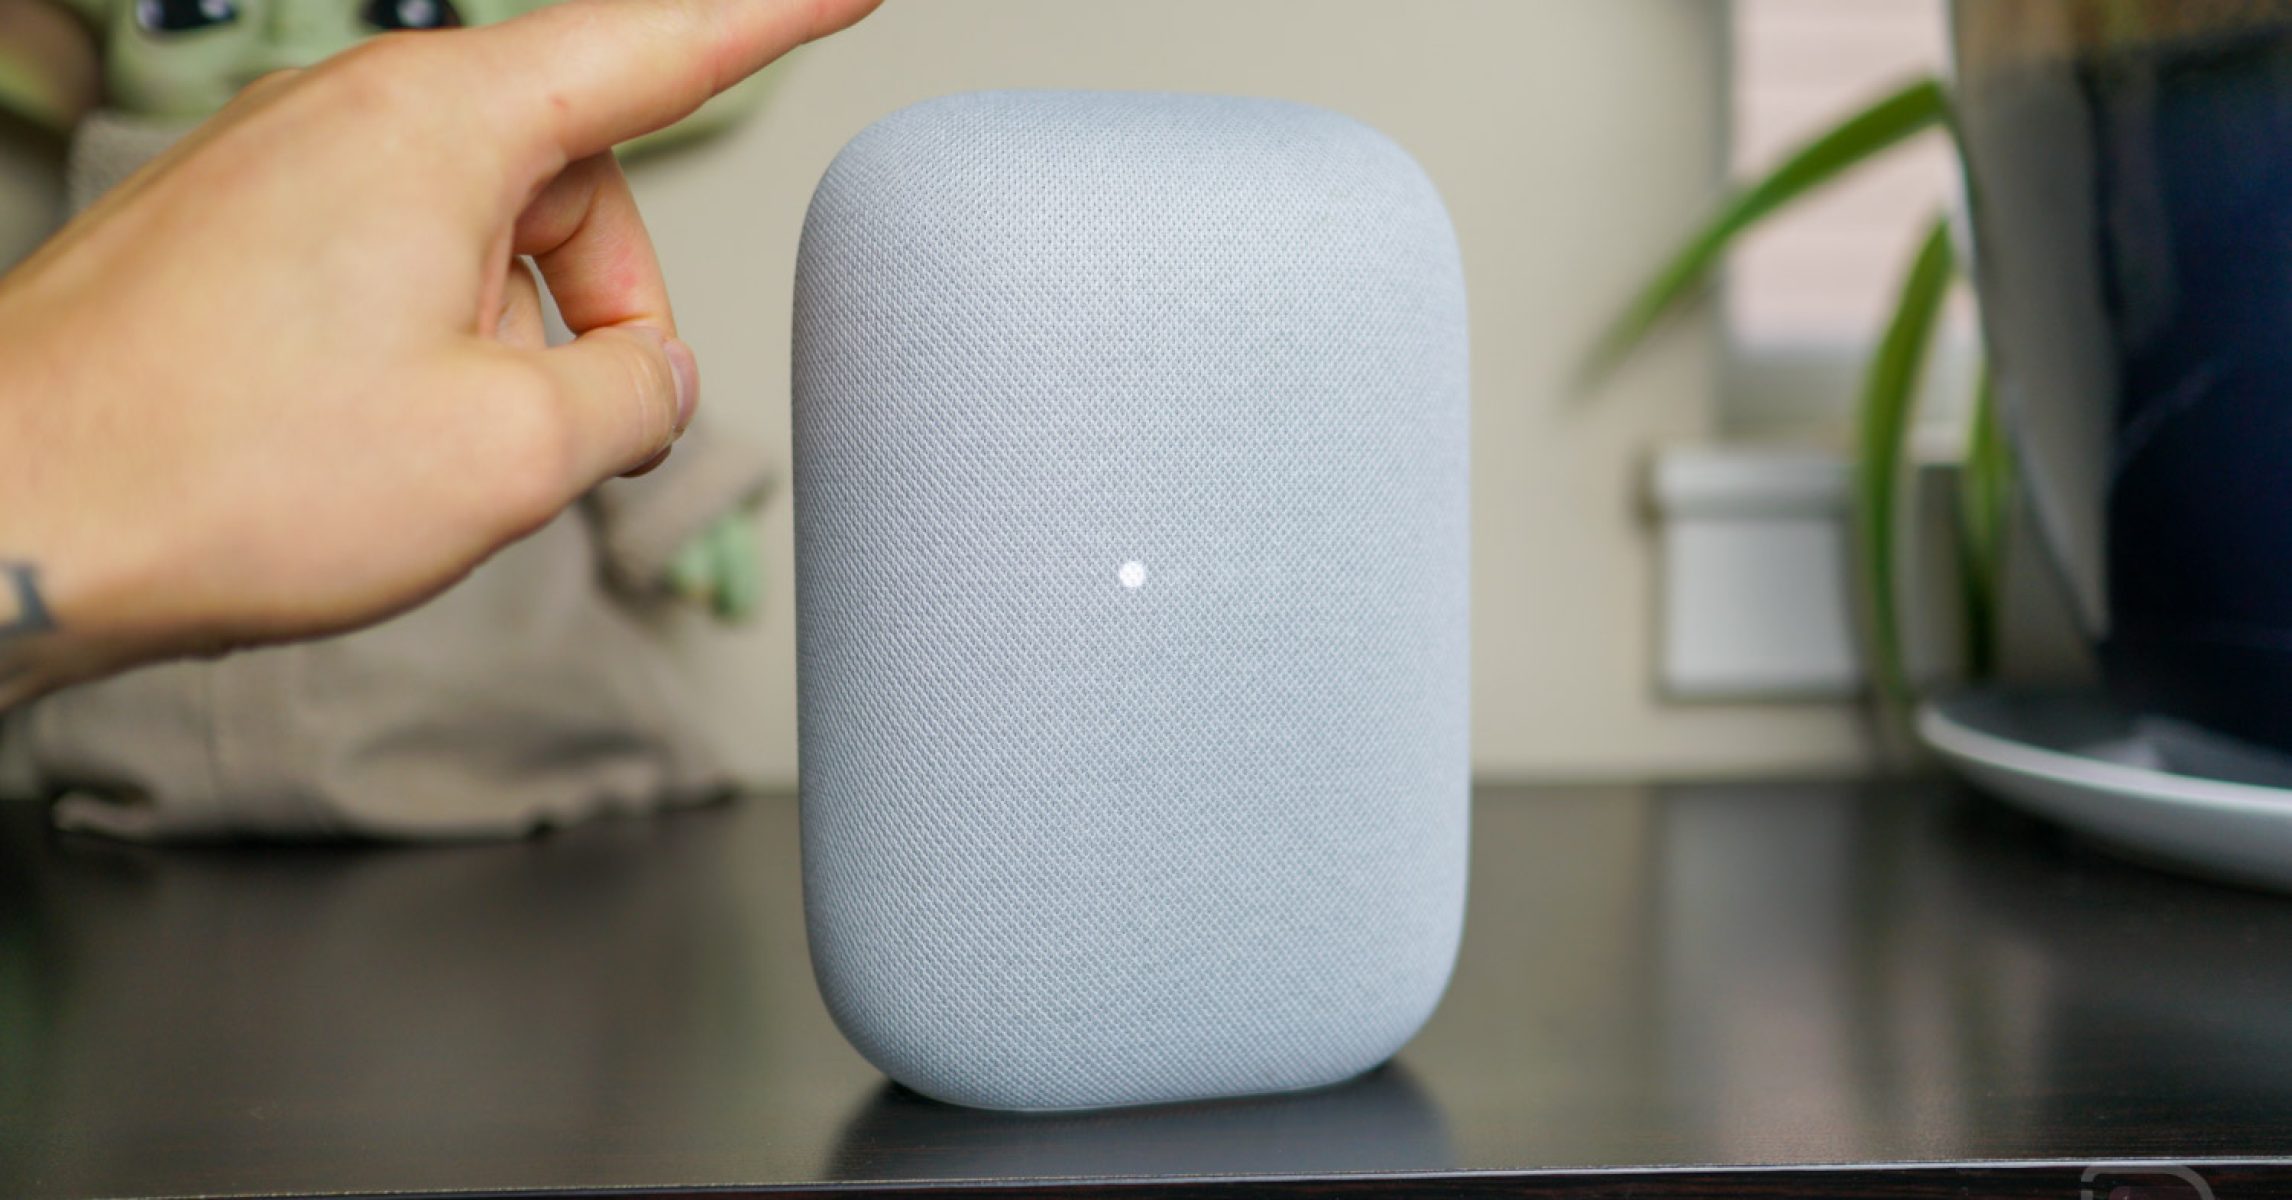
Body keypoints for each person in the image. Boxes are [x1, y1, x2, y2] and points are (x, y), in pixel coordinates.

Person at [0, 0, 881, 711]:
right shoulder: (84, 280)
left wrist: (685, 502)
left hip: (495, 772)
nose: (287, 32)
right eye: (189, 11)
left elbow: (596, 346)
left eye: (406, 10)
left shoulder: (474, 257)